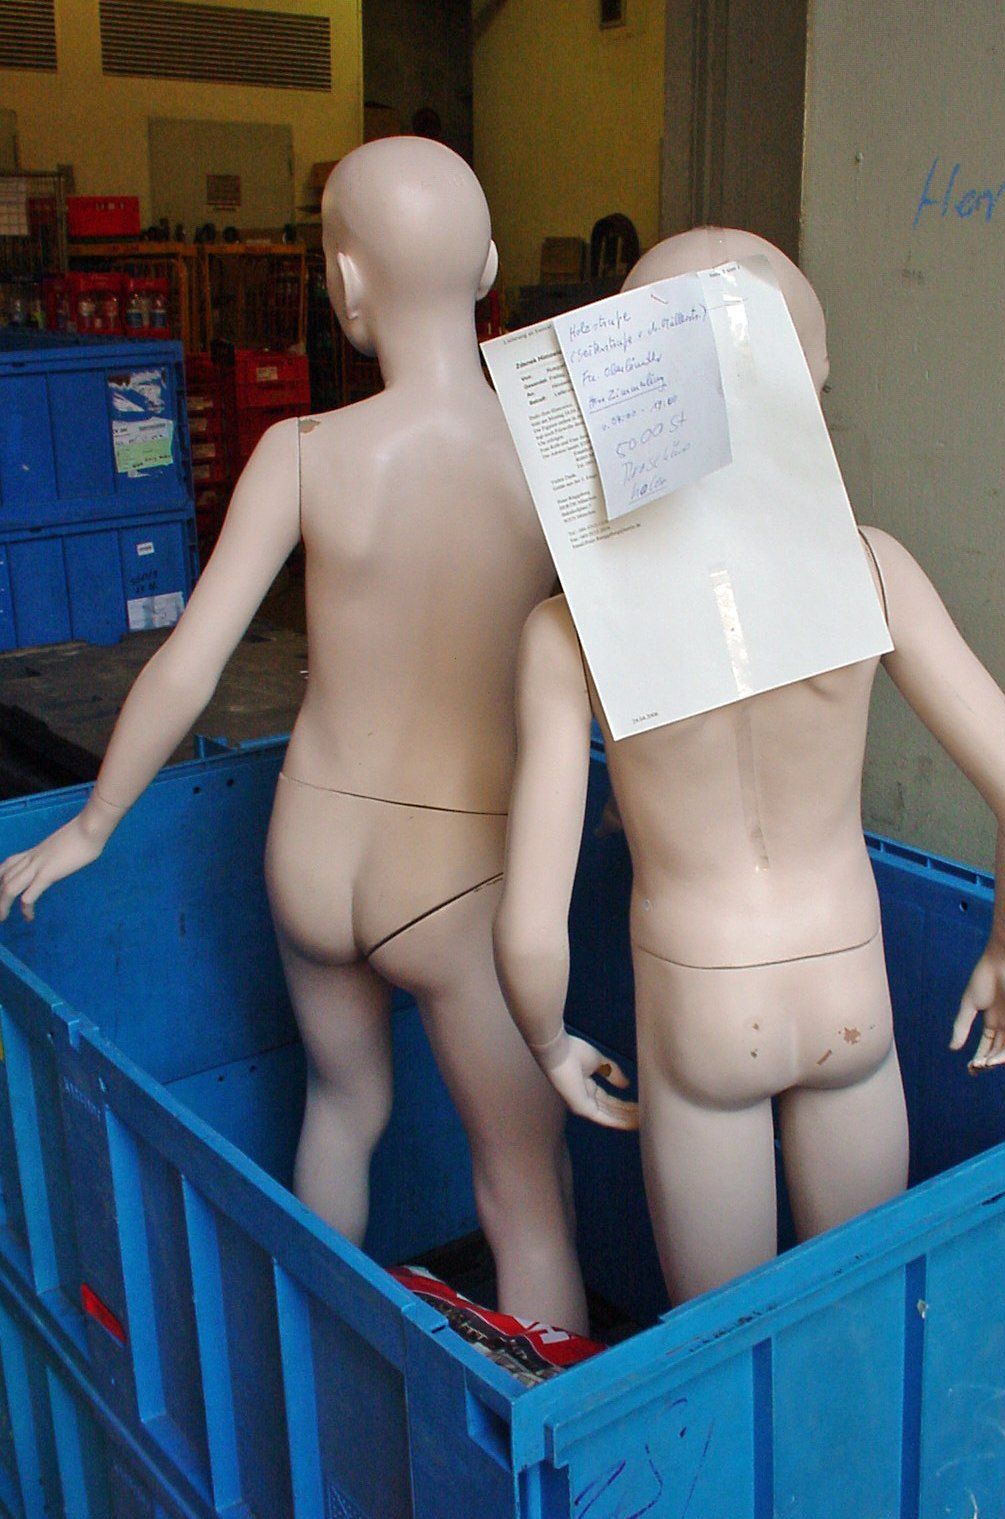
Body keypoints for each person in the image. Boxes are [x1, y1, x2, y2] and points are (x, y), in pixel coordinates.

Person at [0, 139, 588, 1333]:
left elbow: (191, 659)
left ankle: (319, 1367)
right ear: (487, 265)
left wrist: (95, 824)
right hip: (455, 867)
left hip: (313, 851)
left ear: (344, 282)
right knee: (526, 1192)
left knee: (340, 1108)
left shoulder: (301, 452)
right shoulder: (555, 461)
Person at [493, 228, 1005, 1305]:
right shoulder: (873, 568)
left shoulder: (569, 630)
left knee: (726, 1343)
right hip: (845, 979)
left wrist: (547, 1037)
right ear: (811, 378)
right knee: (856, 1319)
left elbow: (530, 926)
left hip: (702, 998)